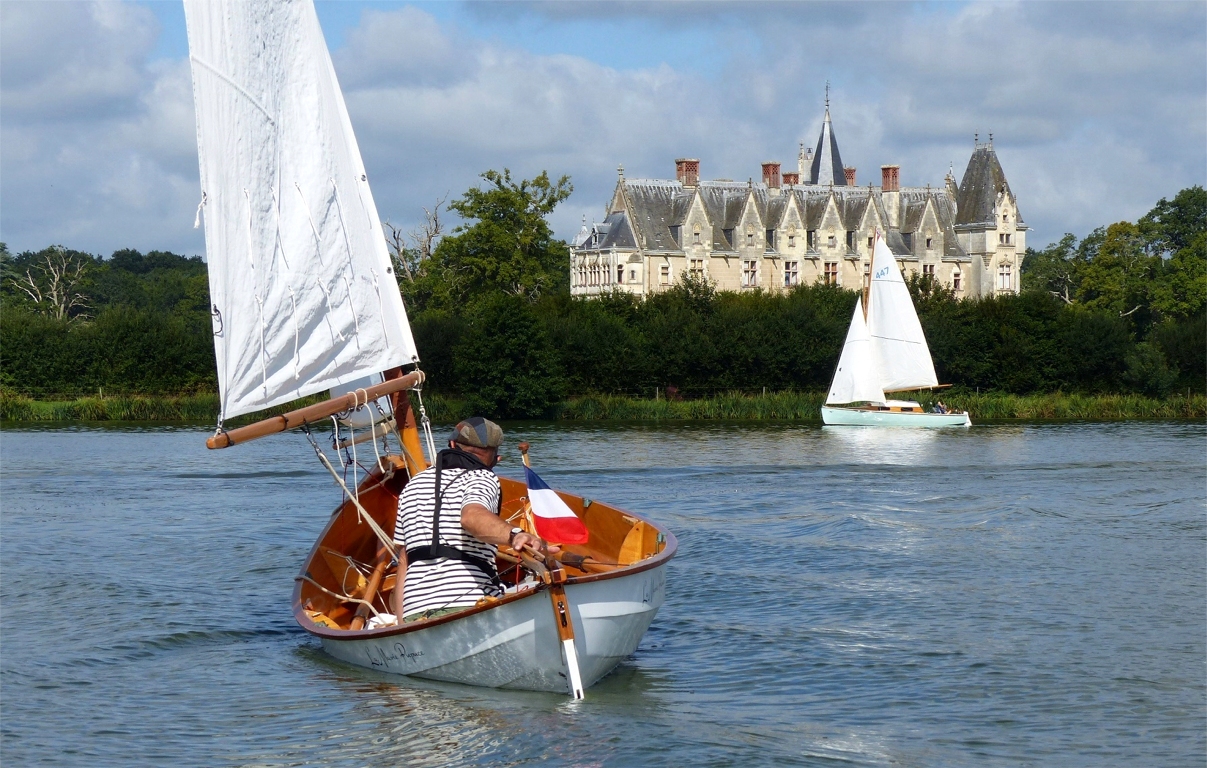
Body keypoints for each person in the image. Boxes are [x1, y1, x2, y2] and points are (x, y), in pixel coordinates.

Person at [391, 417, 555, 623]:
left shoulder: (413, 485)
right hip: (469, 604)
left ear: (452, 444)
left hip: (414, 612)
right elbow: (471, 516)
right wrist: (515, 535)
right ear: (496, 457)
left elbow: (404, 561)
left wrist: (402, 627)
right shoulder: (482, 477)